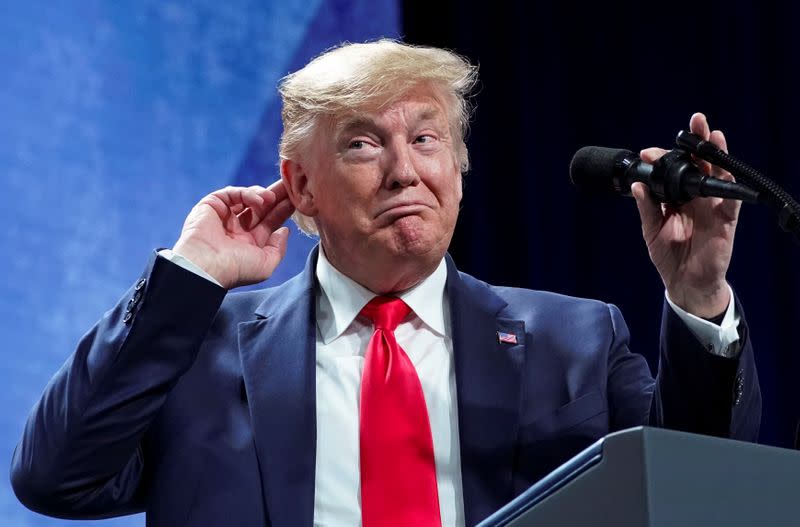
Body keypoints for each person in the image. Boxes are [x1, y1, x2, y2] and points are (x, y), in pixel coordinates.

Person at [11, 40, 760, 527]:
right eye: (365, 142)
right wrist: (190, 275)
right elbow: (55, 477)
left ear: (458, 171)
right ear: (300, 187)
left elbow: (699, 496)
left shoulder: (578, 341)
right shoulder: (200, 353)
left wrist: (698, 299)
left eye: (427, 138)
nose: (406, 169)